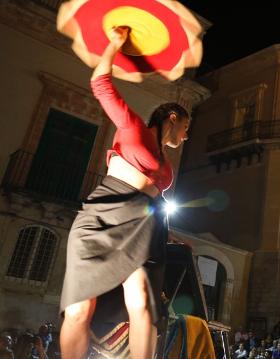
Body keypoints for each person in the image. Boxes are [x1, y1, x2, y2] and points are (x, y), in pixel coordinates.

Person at [58, 26, 190, 359]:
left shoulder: (168, 166)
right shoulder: (132, 128)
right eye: (186, 128)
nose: (186, 136)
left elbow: (156, 204)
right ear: (172, 118)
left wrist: (169, 231)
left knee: (143, 304)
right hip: (101, 218)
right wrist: (115, 45)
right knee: (79, 311)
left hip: (141, 229)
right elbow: (100, 84)